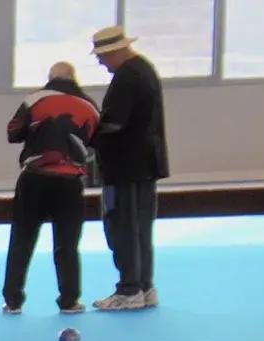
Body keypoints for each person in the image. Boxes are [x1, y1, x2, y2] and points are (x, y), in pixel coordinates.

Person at [2, 62, 99, 315]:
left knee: (22, 239)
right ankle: (69, 300)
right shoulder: (89, 104)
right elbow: (97, 142)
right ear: (74, 77)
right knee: (67, 244)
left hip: (35, 177)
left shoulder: (35, 99)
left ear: (49, 78)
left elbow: (13, 133)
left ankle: (13, 301)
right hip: (69, 183)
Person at [90, 26, 167, 311]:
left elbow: (113, 124)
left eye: (102, 56)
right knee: (141, 228)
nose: (100, 62)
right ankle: (145, 286)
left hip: (123, 167)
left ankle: (129, 288)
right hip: (145, 165)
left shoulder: (127, 77)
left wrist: (87, 137)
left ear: (116, 51)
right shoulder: (145, 70)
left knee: (121, 226)